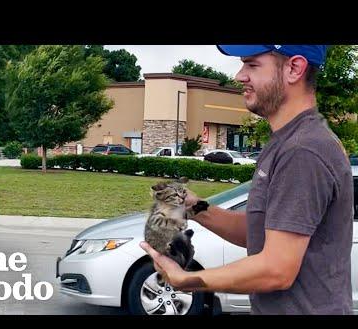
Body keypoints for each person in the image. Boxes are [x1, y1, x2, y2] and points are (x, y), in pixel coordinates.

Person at [140, 45, 354, 315]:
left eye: (252, 65)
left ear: (295, 68)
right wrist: (192, 207)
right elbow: (262, 233)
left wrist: (187, 280)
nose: (240, 76)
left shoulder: (303, 150)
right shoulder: (286, 142)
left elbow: (277, 271)